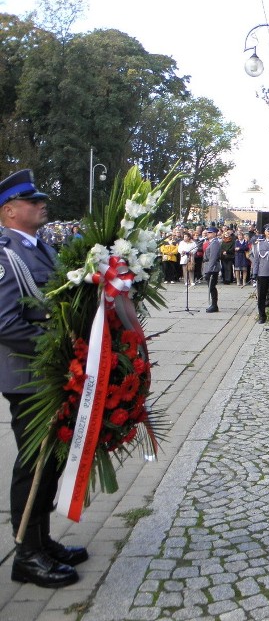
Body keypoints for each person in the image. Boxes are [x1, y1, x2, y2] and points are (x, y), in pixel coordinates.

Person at [0, 169, 86, 588]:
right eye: (32, 202)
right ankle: (25, 556)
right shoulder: (4, 255)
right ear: (10, 211)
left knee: (50, 460)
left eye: (40, 201)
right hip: (28, 377)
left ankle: (42, 540)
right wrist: (59, 350)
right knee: (33, 463)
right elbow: (6, 323)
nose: (41, 205)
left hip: (52, 375)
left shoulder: (44, 250)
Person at [202, 226, 222, 313]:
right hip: (208, 266)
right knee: (210, 287)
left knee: (212, 287)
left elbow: (213, 257)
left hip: (212, 268)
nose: (208, 234)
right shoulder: (211, 242)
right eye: (207, 232)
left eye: (209, 233)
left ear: (214, 234)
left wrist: (209, 270)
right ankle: (213, 305)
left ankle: (214, 305)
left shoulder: (215, 243)